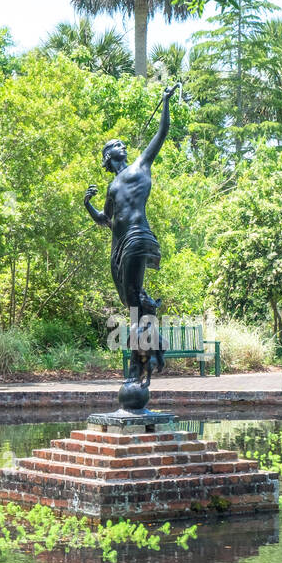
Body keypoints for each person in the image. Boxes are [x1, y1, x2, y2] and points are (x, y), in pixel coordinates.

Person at [84, 83, 178, 385]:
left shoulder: (141, 165)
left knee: (135, 300)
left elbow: (161, 133)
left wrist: (165, 101)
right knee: (132, 301)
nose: (122, 145)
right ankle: (148, 355)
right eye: (116, 144)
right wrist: (87, 204)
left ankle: (146, 361)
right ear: (108, 157)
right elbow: (105, 220)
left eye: (123, 143)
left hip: (138, 238)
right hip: (122, 245)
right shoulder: (112, 187)